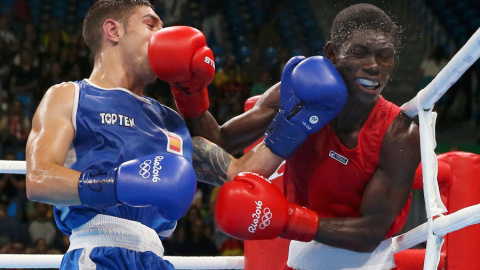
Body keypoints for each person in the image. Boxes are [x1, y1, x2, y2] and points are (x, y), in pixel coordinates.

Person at [26, 1, 346, 269]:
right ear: (114, 31)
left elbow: (240, 172)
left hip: (155, 257)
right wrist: (118, 184)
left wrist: (298, 122)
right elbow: (38, 179)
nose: (161, 34)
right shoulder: (71, 96)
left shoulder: (168, 120)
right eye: (151, 24)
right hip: (97, 253)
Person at [186, 4, 421, 270]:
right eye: (359, 52)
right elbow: (219, 142)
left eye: (384, 56)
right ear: (332, 54)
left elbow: (369, 232)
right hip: (299, 262)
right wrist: (188, 90)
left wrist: (286, 219)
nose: (373, 66)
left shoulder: (400, 134)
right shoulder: (297, 94)